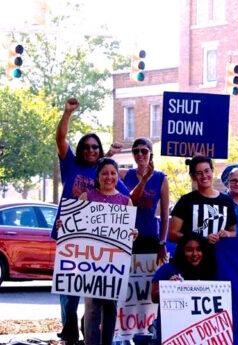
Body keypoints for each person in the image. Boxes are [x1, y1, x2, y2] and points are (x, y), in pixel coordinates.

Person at [53, 98, 128, 345]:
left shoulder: (105, 174)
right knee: (70, 293)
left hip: (102, 247)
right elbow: (61, 139)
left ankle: (88, 332)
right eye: (86, 146)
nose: (90, 150)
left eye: (95, 147)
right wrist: (67, 114)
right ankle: (69, 334)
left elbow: (125, 203)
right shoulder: (71, 164)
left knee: (96, 295)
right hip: (72, 238)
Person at [76, 158, 136, 345]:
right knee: (92, 308)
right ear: (98, 176)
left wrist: (134, 233)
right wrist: (65, 225)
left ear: (117, 176)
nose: (109, 177)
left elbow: (129, 234)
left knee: (110, 308)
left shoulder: (126, 201)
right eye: (104, 173)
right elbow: (76, 228)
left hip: (114, 263)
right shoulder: (86, 198)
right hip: (91, 262)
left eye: (113, 173)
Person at [151, 233, 215, 344]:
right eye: (189, 250)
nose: (195, 254)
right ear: (182, 251)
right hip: (172, 335)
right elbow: (154, 297)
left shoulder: (208, 271)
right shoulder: (168, 269)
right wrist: (168, 288)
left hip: (201, 336)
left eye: (199, 250)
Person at [120, 138, 169, 263]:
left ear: (151, 154)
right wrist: (144, 180)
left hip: (150, 234)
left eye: (144, 151)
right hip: (127, 234)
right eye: (136, 151)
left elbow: (164, 215)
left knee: (148, 277)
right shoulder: (124, 175)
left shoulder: (161, 178)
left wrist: (162, 242)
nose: (140, 154)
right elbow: (131, 202)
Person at [168, 155, 236, 243]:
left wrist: (228, 234)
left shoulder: (226, 201)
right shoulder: (185, 201)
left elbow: (234, 231)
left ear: (212, 171)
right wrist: (202, 239)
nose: (204, 176)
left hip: (219, 255)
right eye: (199, 173)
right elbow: (173, 234)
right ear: (193, 177)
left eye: (207, 171)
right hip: (192, 255)